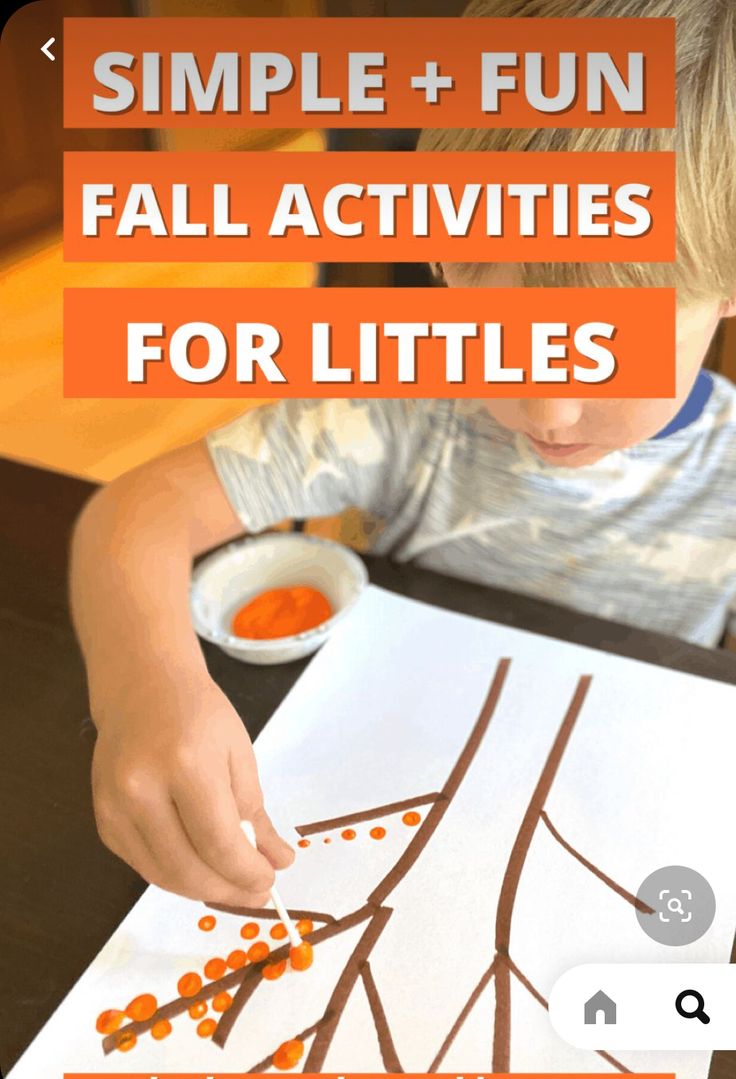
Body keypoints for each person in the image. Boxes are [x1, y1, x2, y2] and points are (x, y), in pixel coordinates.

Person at [69, 0, 736, 905]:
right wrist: (143, 684)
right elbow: (132, 516)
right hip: (380, 775)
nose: (547, 405)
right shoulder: (409, 400)